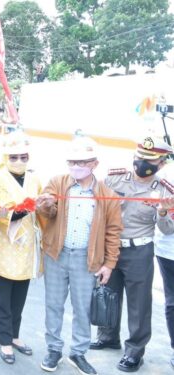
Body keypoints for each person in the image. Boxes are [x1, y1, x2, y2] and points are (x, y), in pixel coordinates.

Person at [36, 136, 122, 375]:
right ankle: (54, 349)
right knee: (53, 305)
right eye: (72, 162)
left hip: (87, 259)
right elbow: (47, 212)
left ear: (94, 163)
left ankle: (78, 352)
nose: (76, 167)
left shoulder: (108, 195)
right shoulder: (57, 183)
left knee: (82, 308)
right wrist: (44, 204)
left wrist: (109, 264)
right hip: (56, 254)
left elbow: (113, 232)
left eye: (81, 162)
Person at [90, 136, 174, 372]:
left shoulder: (165, 191)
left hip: (140, 250)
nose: (141, 163)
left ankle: (135, 351)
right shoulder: (114, 178)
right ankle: (108, 336)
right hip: (112, 247)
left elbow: (167, 230)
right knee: (108, 294)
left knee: (139, 304)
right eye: (139, 157)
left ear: (161, 164)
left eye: (149, 160)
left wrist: (165, 212)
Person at [0, 132, 43, 364]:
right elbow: (0, 211)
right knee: (3, 297)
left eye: (23, 157)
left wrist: (45, 206)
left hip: (27, 244)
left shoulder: (34, 179)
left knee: (20, 294)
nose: (19, 161)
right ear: (6, 157)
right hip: (4, 244)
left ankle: (15, 335)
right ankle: (4, 340)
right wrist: (22, 209)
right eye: (14, 157)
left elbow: (42, 209)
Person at [154, 160, 174, 370]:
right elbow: (167, 228)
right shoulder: (168, 175)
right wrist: (163, 211)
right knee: (173, 302)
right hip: (170, 252)